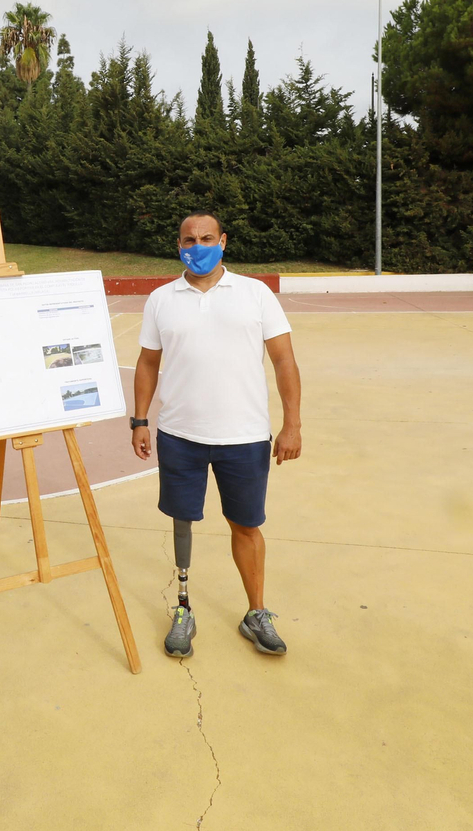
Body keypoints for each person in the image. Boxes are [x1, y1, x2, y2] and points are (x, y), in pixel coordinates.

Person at [130, 211, 302, 659]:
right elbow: (148, 363)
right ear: (179, 244)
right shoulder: (161, 299)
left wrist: (292, 424)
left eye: (207, 238)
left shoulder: (255, 294)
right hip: (180, 435)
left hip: (243, 436)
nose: (198, 245)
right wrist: (140, 420)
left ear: (223, 241)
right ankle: (183, 608)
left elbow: (284, 360)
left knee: (246, 525)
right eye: (189, 239)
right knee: (182, 520)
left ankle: (256, 613)